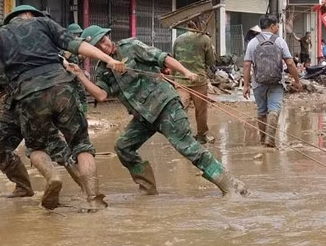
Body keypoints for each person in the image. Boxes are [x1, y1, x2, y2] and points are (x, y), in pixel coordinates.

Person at [0, 5, 125, 212]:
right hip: (19, 100)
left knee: (45, 147)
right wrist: (108, 59)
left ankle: (65, 183)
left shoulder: (2, 34)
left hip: (29, 97)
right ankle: (33, 188)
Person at [73, 25, 248, 197]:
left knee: (187, 147)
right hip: (144, 117)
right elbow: (101, 95)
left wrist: (185, 72)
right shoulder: (103, 70)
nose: (104, 46)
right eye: (98, 46)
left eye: (104, 40)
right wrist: (80, 75)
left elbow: (162, 58)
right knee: (123, 147)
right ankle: (147, 188)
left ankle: (229, 185)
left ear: (108, 36)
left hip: (165, 105)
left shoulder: (131, 47)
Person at [0, 0, 82, 204]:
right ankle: (23, 186)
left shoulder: (11, 32)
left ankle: (88, 190)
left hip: (36, 96)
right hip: (12, 102)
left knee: (54, 144)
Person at [243, 14, 302, 148]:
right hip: (276, 82)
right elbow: (290, 63)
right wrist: (297, 81)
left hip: (258, 83)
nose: (278, 27)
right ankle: (270, 139)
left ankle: (263, 139)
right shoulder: (280, 42)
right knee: (274, 109)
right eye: (277, 25)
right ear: (272, 26)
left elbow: (247, 65)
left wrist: (246, 85)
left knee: (262, 111)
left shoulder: (252, 42)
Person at [173, 16, 217, 144]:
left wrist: (173, 79)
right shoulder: (204, 39)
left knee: (181, 110)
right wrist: (211, 49)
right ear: (200, 25)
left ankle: (180, 136)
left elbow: (173, 61)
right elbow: (210, 62)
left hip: (181, 80)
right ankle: (201, 136)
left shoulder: (178, 40)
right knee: (201, 110)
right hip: (199, 81)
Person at [65, 23, 88, 114]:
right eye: (75, 34)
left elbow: (81, 57)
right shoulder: (66, 45)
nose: (77, 36)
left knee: (82, 95)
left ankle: (84, 114)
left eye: (78, 34)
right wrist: (73, 46)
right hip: (67, 76)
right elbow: (66, 56)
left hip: (76, 75)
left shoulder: (75, 46)